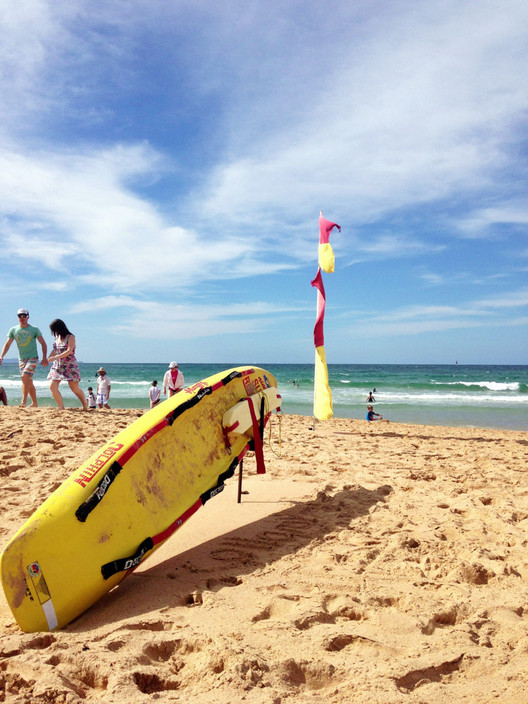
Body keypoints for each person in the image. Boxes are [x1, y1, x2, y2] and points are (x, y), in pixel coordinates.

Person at [0, 308, 48, 407]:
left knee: (24, 377)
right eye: (20, 316)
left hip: (33, 357)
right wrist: (1, 356)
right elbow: (8, 344)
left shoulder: (34, 329)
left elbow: (43, 344)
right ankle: (34, 403)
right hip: (21, 359)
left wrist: (44, 358)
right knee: (28, 380)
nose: (22, 318)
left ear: (28, 317)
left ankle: (24, 401)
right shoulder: (13, 330)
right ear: (18, 318)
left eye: (24, 316)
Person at [47, 319, 87, 410]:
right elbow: (55, 349)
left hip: (69, 365)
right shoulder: (57, 337)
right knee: (52, 386)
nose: (54, 332)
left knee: (74, 388)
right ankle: (61, 406)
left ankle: (85, 403)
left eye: (55, 329)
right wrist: (48, 358)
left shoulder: (70, 337)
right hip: (57, 365)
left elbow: (69, 351)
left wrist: (55, 357)